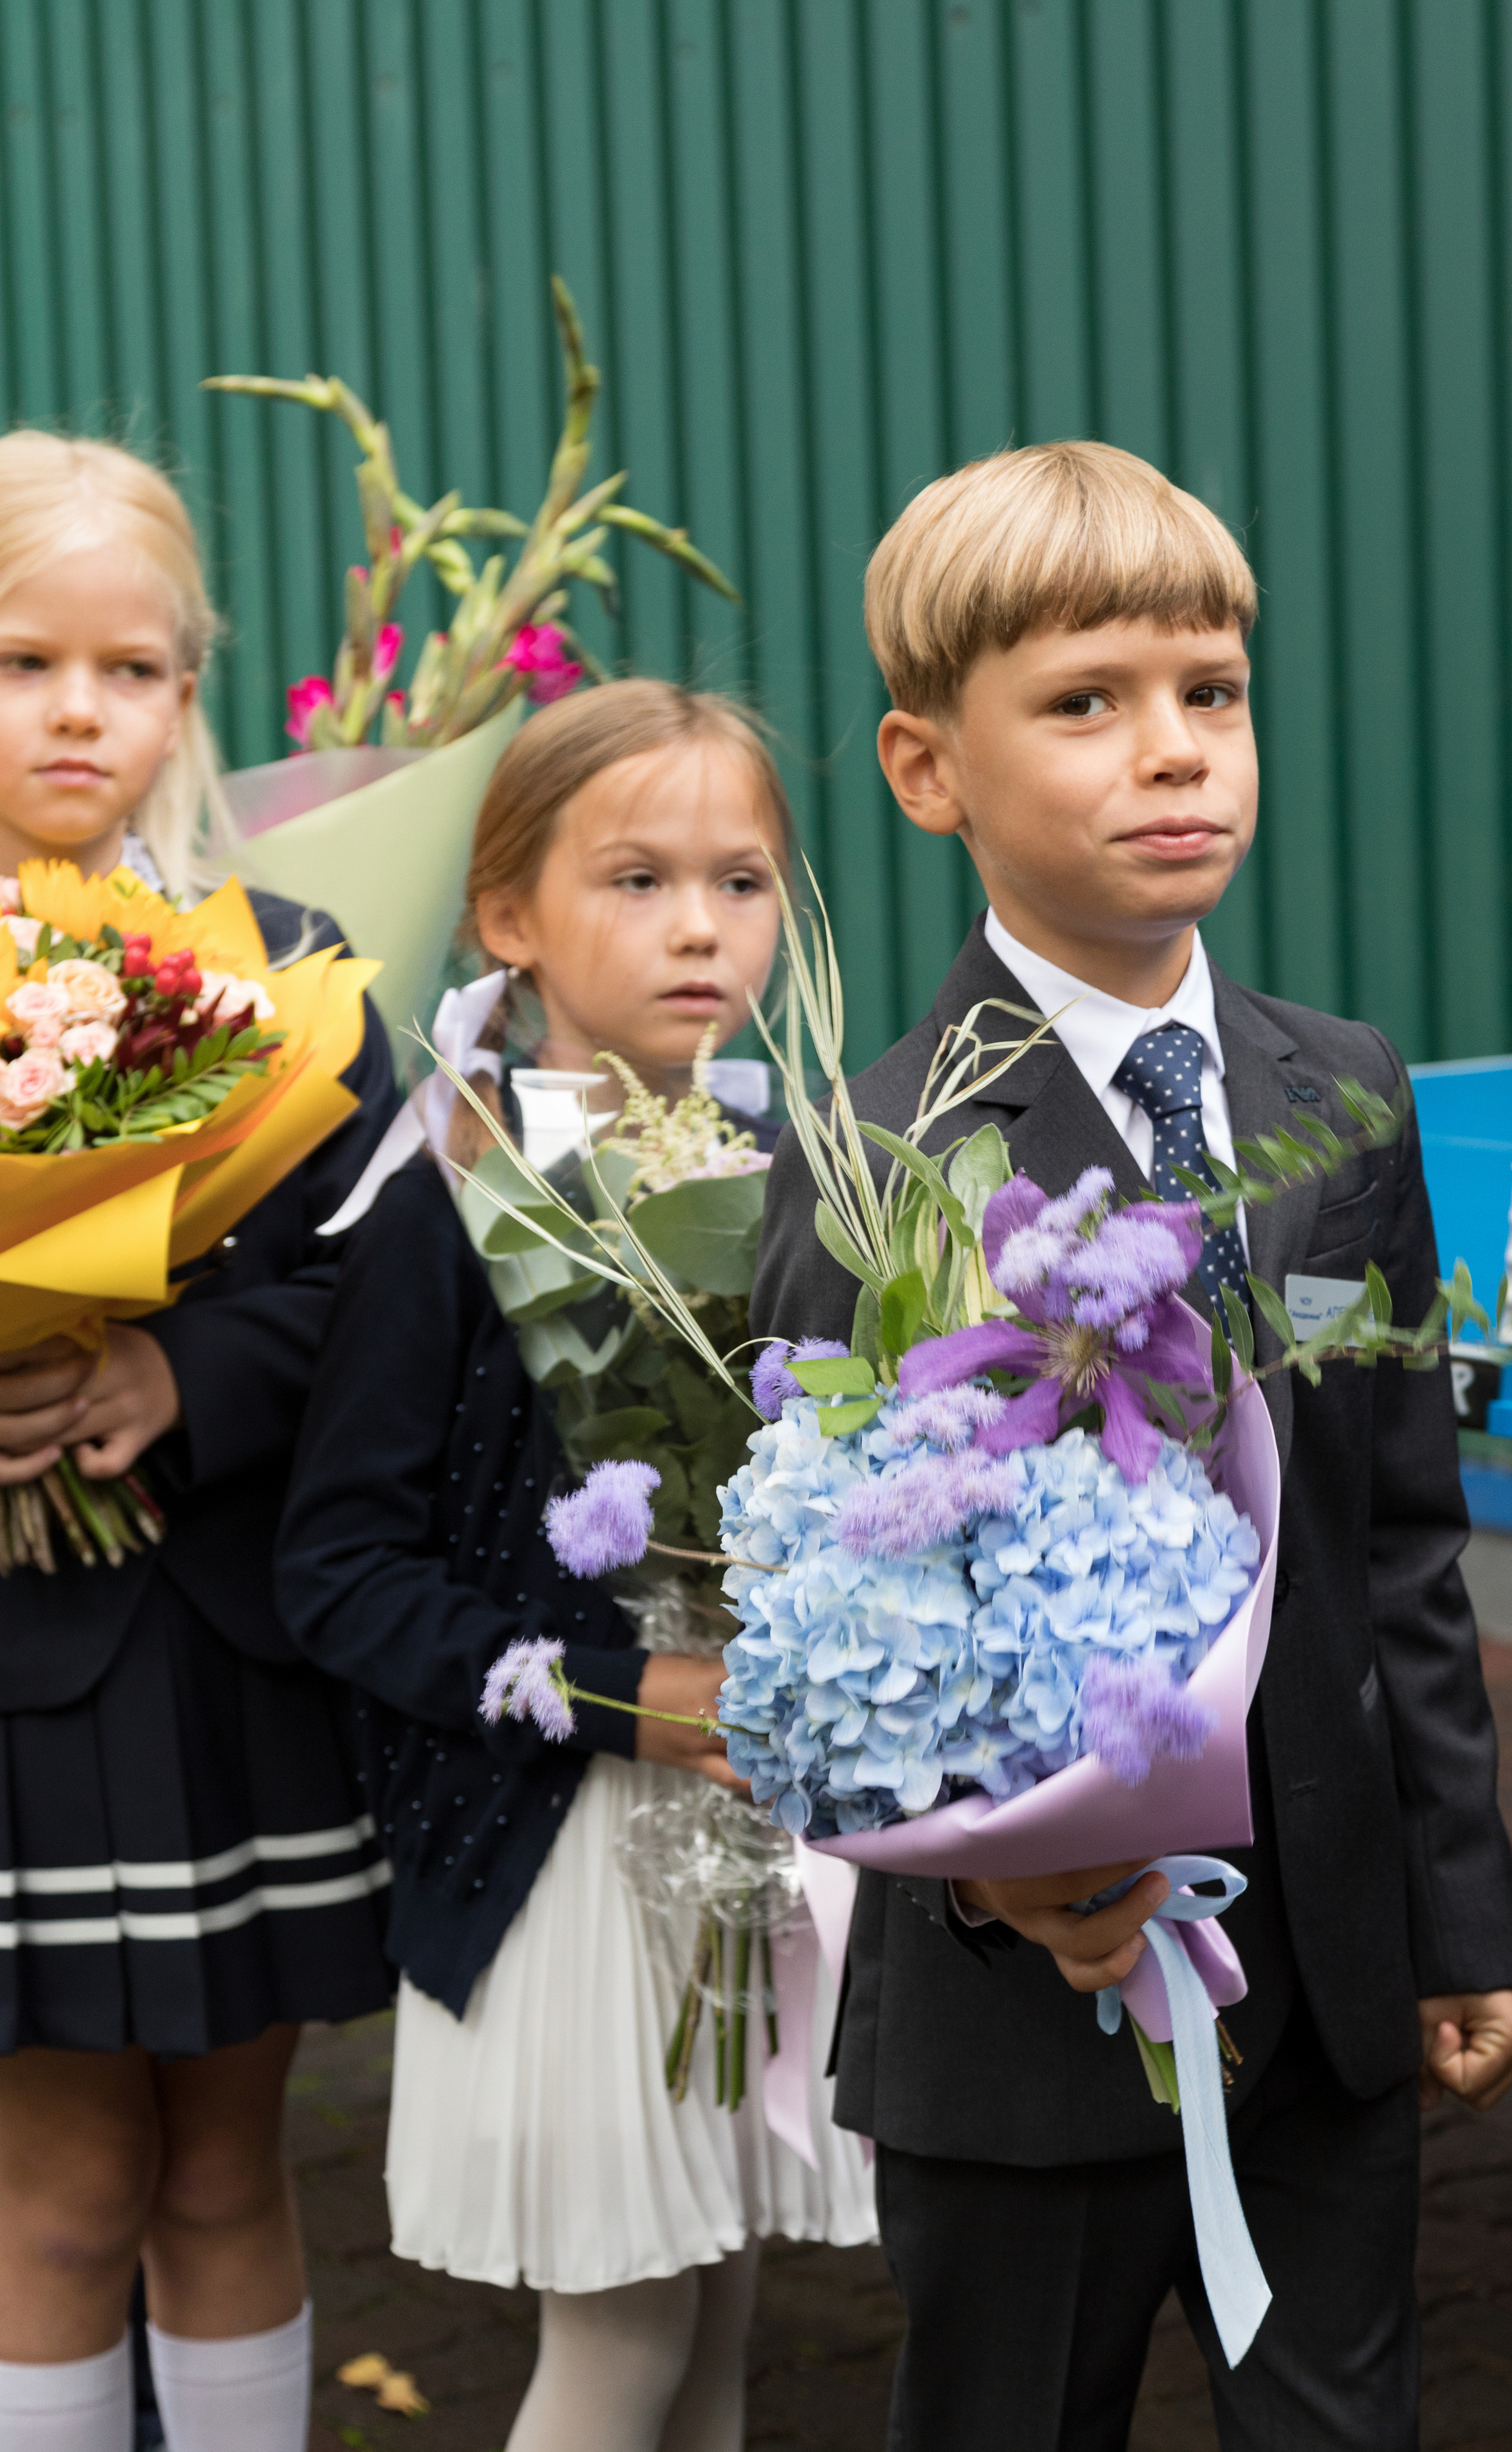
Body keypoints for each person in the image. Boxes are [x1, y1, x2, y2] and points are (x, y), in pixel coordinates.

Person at [749, 441, 1512, 2451]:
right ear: (931, 771)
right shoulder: (881, 1151)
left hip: (1333, 1997)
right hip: (1035, 2015)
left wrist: (1460, 1921)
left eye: (1212, 694)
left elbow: (1398, 1540)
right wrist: (1000, 1889)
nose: (1174, 752)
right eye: (1088, 705)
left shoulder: (1339, 1089)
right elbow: (828, 1596)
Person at [275, 681, 876, 2452]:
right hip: (564, 1852)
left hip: (746, 1837)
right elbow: (343, 1569)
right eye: (635, 881)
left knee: (718, 2315)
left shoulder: (795, 1173)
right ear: (508, 915)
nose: (701, 925)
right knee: (616, 2338)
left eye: (743, 879)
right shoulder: (444, 1205)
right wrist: (621, 1694)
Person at [0, 431, 397, 2452]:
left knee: (233, 2174)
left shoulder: (294, 963)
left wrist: (177, 1381)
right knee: (60, 2202)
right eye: (24, 661)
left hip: (229, 1644)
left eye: (133, 668)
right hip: (14, 1689)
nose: (84, 708)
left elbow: (386, 1293)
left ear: (190, 686)